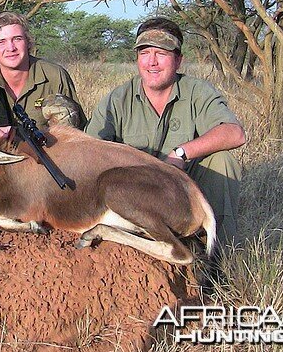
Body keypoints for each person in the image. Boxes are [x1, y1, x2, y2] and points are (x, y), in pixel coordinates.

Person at [85, 17, 246, 252]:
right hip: (137, 195)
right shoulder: (117, 99)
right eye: (144, 53)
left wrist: (181, 153)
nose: (152, 62)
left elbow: (235, 134)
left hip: (183, 189)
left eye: (161, 53)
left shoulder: (197, 92)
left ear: (178, 60)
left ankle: (218, 256)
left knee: (223, 161)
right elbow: (91, 150)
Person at [0, 11, 87, 143]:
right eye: (1, 42)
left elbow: (78, 132)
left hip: (49, 155)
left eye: (17, 39)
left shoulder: (54, 75)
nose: (10, 48)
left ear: (28, 42)